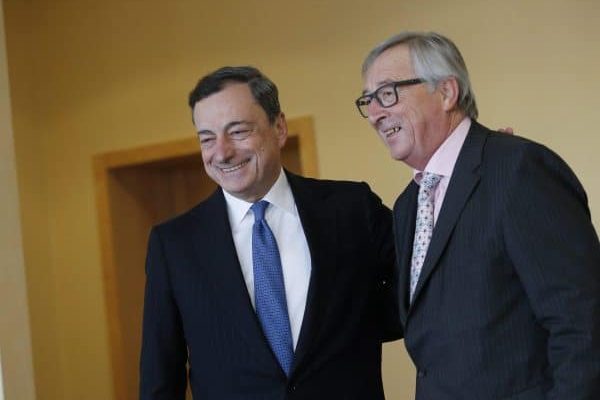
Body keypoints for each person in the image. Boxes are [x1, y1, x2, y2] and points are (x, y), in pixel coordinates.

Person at [357, 31, 600, 399]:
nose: (375, 114)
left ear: (446, 92)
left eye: (388, 93)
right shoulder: (408, 205)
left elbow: (582, 323)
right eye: (368, 100)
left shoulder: (518, 169)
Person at [139, 66, 399, 399]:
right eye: (207, 138)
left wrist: (358, 329)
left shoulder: (350, 209)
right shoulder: (174, 245)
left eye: (238, 131)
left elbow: (419, 288)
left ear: (278, 128)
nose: (222, 151)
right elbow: (160, 375)